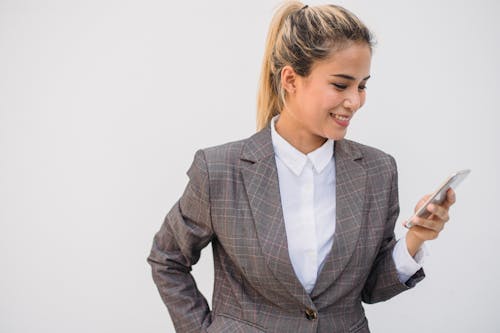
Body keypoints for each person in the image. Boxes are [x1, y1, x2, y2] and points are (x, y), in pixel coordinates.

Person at [147, 2, 455, 332]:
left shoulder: (379, 171)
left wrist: (415, 240)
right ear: (291, 79)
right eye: (341, 85)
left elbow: (370, 289)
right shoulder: (219, 171)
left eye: (362, 85)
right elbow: (167, 259)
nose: (355, 100)